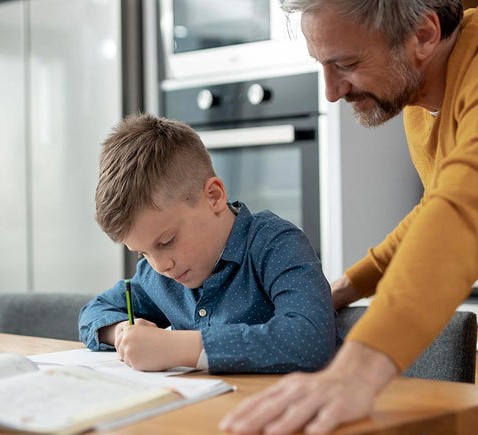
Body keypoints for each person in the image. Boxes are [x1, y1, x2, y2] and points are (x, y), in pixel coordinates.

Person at [219, 0, 478, 434]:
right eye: (322, 65)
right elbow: (435, 206)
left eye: (345, 63)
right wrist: (349, 284)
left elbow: (465, 210)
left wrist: (358, 370)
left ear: (423, 35)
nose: (331, 91)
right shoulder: (418, 97)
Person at [78, 113, 339, 374]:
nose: (161, 266)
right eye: (143, 253)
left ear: (214, 196)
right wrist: (121, 332)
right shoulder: (160, 274)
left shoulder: (276, 245)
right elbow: (94, 312)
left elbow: (310, 338)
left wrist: (177, 348)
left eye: (167, 241)